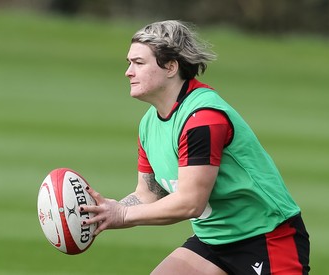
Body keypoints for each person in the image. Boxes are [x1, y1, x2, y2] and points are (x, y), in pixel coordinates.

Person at [80, 20, 310, 275]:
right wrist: (104, 214)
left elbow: (191, 203)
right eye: (129, 63)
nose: (128, 72)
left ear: (170, 66)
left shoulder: (202, 118)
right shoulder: (149, 123)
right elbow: (148, 194)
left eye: (139, 63)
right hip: (213, 241)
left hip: (266, 238)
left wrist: (122, 215)